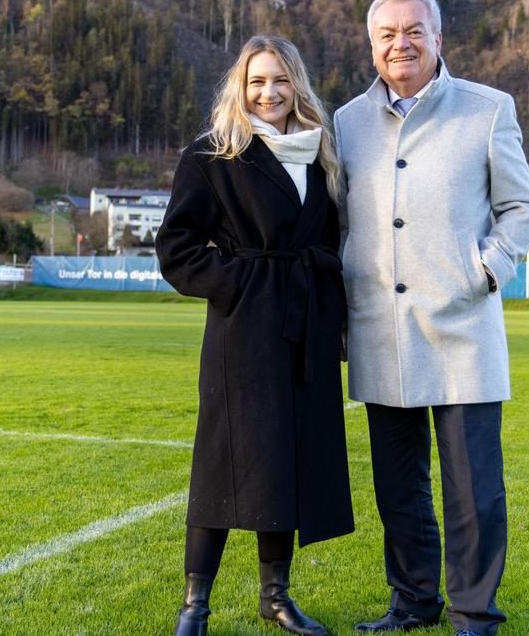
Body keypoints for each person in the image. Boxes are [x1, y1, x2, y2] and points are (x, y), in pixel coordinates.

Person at [333, 0, 529, 636]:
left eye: (414, 31)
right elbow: (337, 218)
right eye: (388, 33)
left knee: (473, 489)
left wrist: (486, 268)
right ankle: (413, 598)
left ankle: (474, 611)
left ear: (439, 37)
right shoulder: (344, 122)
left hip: (461, 327)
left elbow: (522, 208)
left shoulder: (487, 109)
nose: (402, 43)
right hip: (379, 327)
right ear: (372, 44)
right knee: (398, 486)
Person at [155, 34, 354, 636]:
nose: (269, 93)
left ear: (298, 85)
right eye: (257, 81)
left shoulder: (322, 156)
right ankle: (195, 605)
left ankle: (276, 597)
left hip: (305, 327)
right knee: (222, 460)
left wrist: (335, 320)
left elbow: (329, 244)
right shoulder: (212, 156)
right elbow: (177, 249)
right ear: (239, 88)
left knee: (286, 461)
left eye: (280, 80)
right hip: (242, 332)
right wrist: (241, 282)